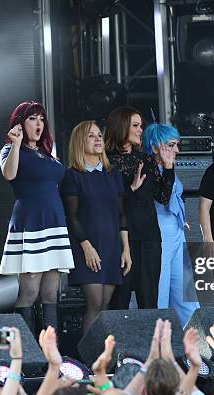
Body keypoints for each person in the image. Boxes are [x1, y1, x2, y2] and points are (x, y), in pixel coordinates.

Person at [0, 101, 74, 332]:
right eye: (32, 118)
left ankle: (53, 354)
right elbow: (9, 174)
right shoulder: (10, 150)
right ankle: (23, 356)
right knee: (29, 292)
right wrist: (16, 143)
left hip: (54, 225)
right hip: (31, 225)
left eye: (41, 118)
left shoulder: (47, 154)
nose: (38, 123)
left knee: (51, 293)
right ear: (20, 123)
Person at [61, 120, 132, 334]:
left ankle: (102, 358)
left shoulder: (113, 173)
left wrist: (126, 249)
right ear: (80, 142)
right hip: (87, 247)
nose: (98, 139)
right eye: (91, 136)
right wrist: (86, 246)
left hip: (111, 246)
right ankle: (88, 362)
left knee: (105, 305)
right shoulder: (73, 175)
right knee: (95, 303)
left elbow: (121, 215)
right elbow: (71, 216)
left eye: (99, 135)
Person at [104, 106, 175, 309]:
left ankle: (151, 341)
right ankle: (117, 341)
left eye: (140, 126)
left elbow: (162, 197)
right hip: (119, 237)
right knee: (119, 300)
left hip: (149, 235)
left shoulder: (146, 159)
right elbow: (103, 203)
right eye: (135, 125)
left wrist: (168, 168)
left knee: (149, 299)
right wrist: (131, 189)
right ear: (121, 127)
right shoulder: (106, 161)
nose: (140, 130)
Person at [141, 123, 200, 325]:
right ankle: (159, 351)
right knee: (161, 295)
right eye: (172, 145)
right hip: (159, 236)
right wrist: (167, 167)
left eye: (177, 145)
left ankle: (200, 351)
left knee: (186, 295)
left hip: (176, 233)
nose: (177, 150)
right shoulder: (147, 169)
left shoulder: (167, 167)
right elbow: (162, 198)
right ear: (156, 146)